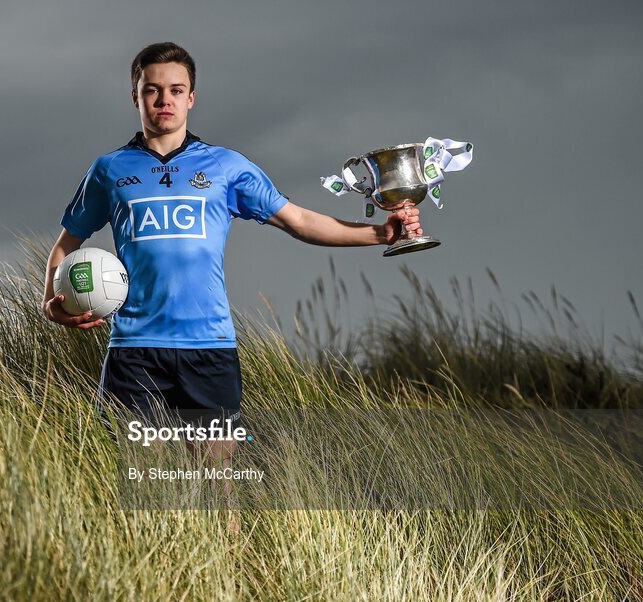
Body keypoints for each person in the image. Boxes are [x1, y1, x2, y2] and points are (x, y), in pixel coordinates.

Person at [42, 41, 422, 473]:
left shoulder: (226, 167)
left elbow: (297, 220)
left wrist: (378, 232)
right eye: (152, 90)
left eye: (176, 89)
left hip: (209, 348)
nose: (164, 99)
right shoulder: (109, 171)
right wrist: (50, 302)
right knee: (141, 483)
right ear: (136, 96)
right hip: (136, 349)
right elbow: (64, 246)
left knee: (216, 486)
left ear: (191, 98)